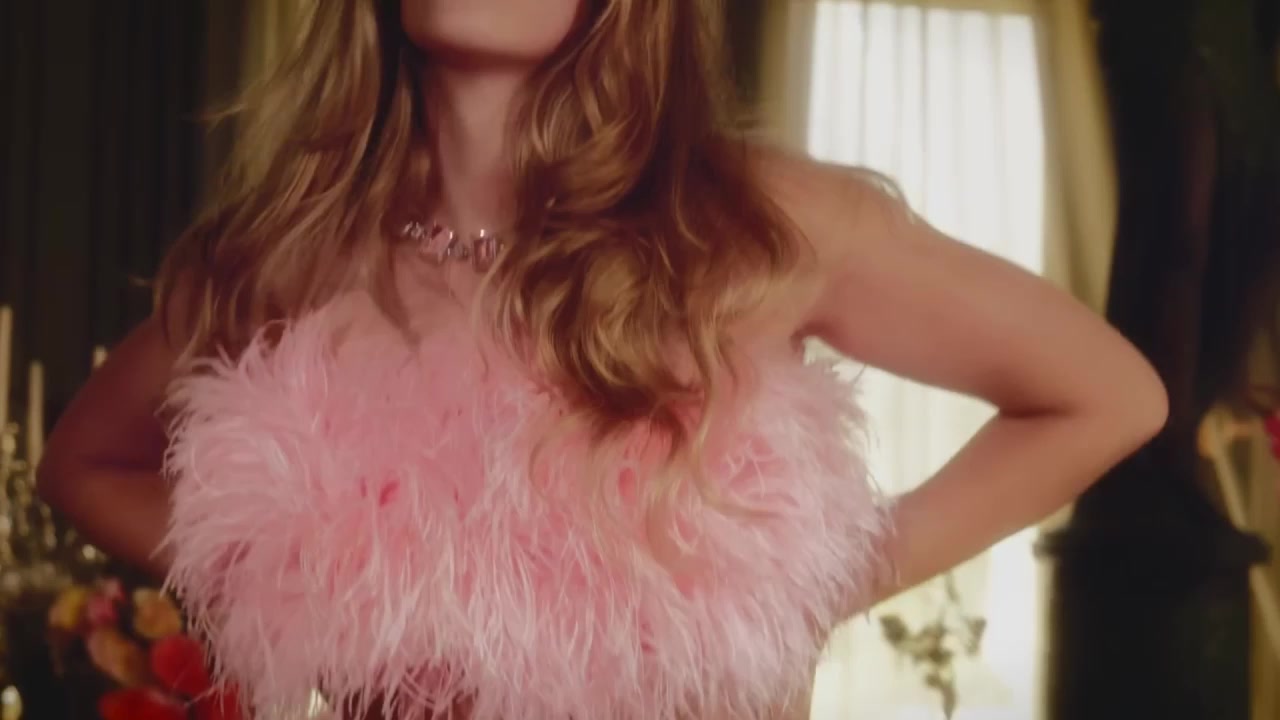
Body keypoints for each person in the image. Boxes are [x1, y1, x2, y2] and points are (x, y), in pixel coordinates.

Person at [36, 1, 1167, 718]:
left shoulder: (759, 228)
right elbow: (81, 464)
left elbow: (1107, 396)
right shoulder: (291, 255)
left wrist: (830, 580)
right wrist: (308, 591)